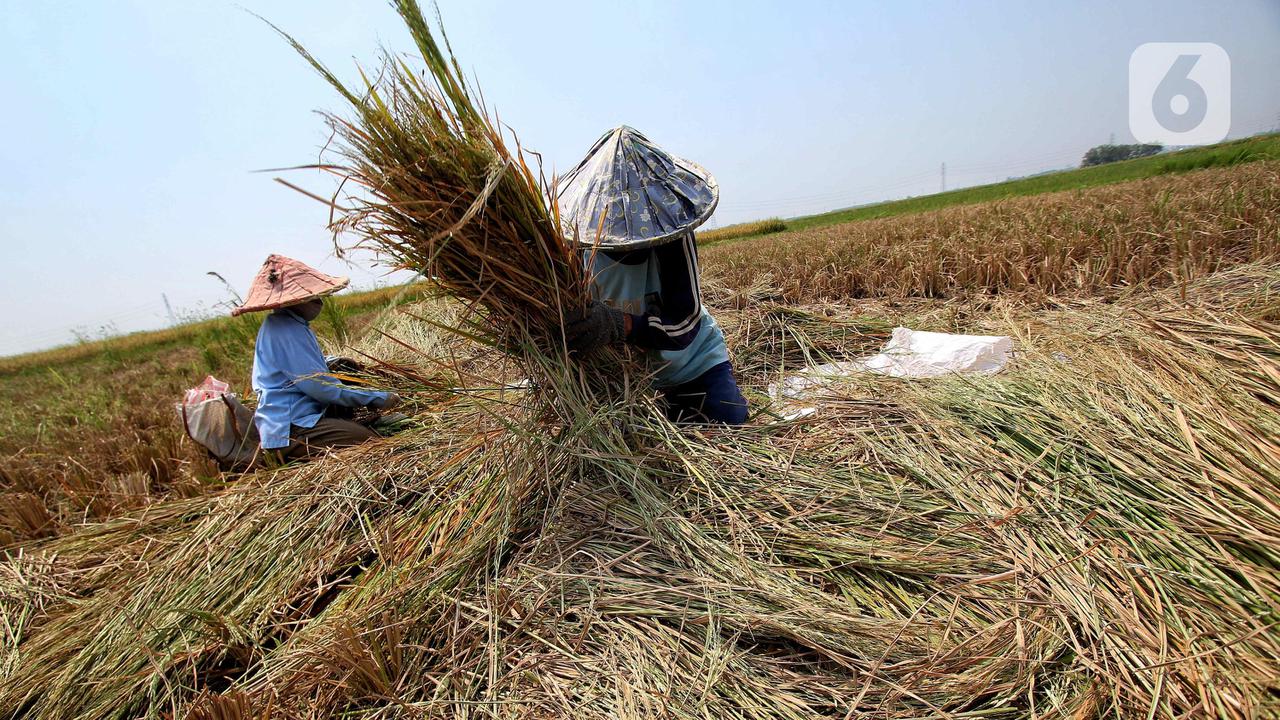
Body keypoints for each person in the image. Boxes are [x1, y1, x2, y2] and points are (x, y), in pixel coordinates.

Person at [557, 126, 747, 425]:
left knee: (728, 421)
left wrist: (622, 324)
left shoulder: (672, 239)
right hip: (625, 377)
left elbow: (684, 326)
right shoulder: (576, 248)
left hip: (691, 363)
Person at [231, 254, 401, 460]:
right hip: (291, 429)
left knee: (364, 428)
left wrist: (331, 362)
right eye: (313, 297)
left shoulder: (288, 325)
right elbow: (321, 388)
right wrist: (378, 398)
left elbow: (300, 366)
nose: (319, 302)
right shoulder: (286, 330)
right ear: (294, 300)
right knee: (367, 440)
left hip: (304, 417)